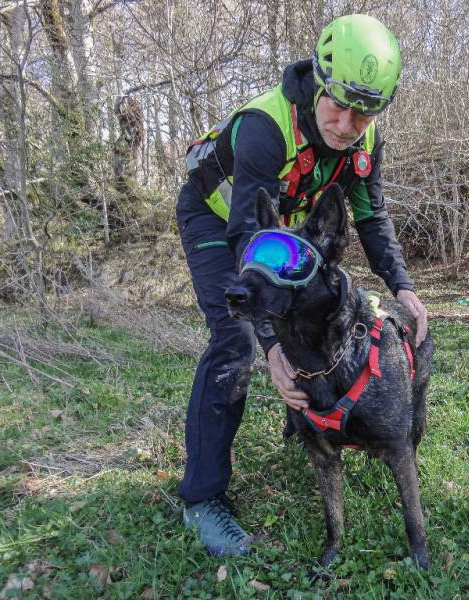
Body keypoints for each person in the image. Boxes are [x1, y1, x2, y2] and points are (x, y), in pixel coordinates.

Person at [175, 14, 428, 556]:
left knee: (306, 310)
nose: (345, 124)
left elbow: (371, 216)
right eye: (338, 105)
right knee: (235, 341)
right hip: (219, 220)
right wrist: (270, 345)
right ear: (319, 78)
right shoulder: (266, 126)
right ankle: (203, 500)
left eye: (363, 115)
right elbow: (248, 233)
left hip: (276, 230)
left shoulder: (365, 136)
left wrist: (402, 287)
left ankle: (310, 419)